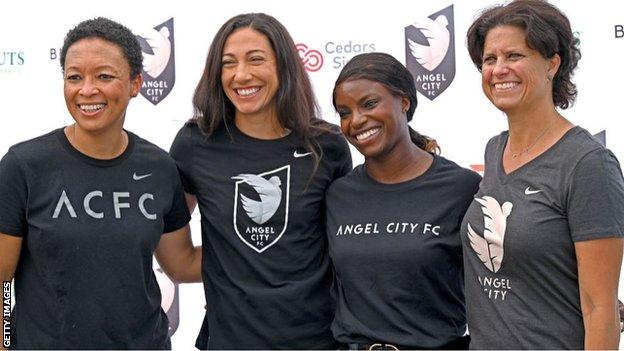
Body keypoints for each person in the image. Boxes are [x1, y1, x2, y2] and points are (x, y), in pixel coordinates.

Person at [0, 17, 201, 349]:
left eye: (104, 76)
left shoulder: (160, 168)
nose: (87, 89)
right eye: (74, 77)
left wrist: (279, 257)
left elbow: (182, 264)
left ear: (135, 84)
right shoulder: (24, 165)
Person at [169, 12, 352, 349]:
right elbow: (178, 263)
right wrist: (233, 268)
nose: (241, 75)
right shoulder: (196, 143)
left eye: (256, 60)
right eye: (228, 63)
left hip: (318, 341)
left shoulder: (327, 146)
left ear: (284, 66)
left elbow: (344, 250)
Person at [462, 0, 624, 349]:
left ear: (553, 63)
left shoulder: (587, 163)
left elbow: (600, 308)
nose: (499, 69)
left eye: (514, 56)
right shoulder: (494, 150)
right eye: (490, 60)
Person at [325, 52, 480, 349]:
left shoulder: (462, 188)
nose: (356, 121)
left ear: (404, 101)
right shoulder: (337, 195)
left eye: (369, 104)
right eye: (344, 112)